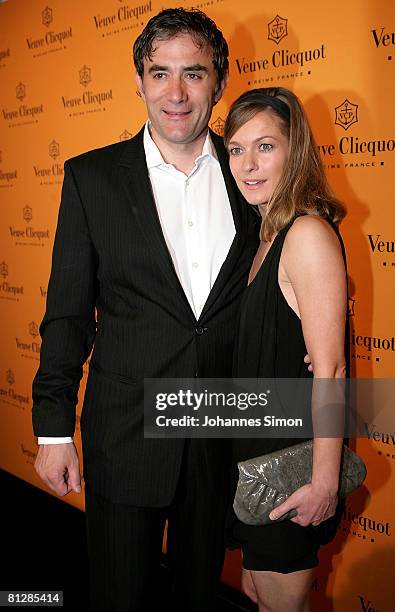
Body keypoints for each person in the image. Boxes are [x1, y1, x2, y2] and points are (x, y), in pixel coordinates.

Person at [31, 8, 260, 612]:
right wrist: (53, 429)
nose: (176, 93)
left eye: (193, 73)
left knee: (199, 597)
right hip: (125, 435)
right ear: (138, 81)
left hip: (219, 434)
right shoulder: (92, 178)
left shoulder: (254, 178)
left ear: (219, 80)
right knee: (118, 596)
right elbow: (68, 314)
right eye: (160, 74)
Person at [223, 87, 348, 612]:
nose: (248, 165)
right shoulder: (266, 234)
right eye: (236, 149)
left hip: (292, 473)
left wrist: (323, 483)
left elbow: (333, 370)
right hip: (259, 462)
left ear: (295, 150)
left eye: (265, 147)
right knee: (257, 593)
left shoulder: (307, 233)